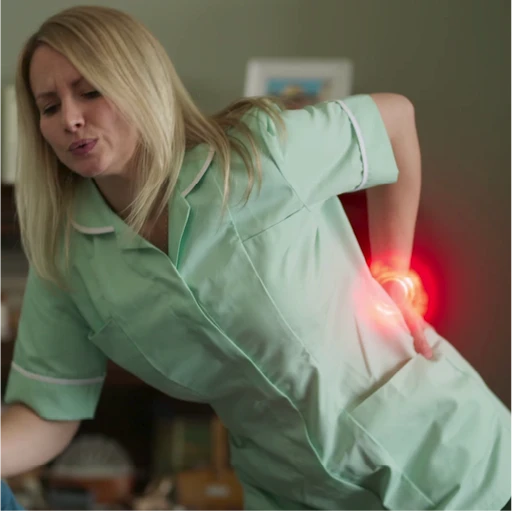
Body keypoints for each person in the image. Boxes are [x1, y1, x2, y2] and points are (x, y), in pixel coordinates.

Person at [0, 5, 510, 511]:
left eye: (90, 91)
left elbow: (394, 122)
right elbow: (46, 412)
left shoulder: (257, 154)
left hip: (455, 461)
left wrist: (394, 273)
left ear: (139, 83)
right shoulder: (65, 256)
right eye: (48, 107)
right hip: (299, 492)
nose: (70, 118)